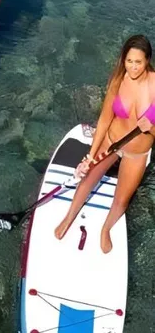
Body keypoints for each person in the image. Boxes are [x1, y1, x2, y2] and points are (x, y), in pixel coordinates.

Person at [54, 35, 155, 253]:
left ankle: (105, 229)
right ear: (123, 59)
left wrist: (152, 127)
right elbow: (105, 119)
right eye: (129, 61)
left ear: (147, 60)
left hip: (137, 152)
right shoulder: (118, 81)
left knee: (122, 198)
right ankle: (69, 216)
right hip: (113, 140)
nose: (133, 67)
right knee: (88, 177)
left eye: (139, 62)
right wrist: (91, 155)